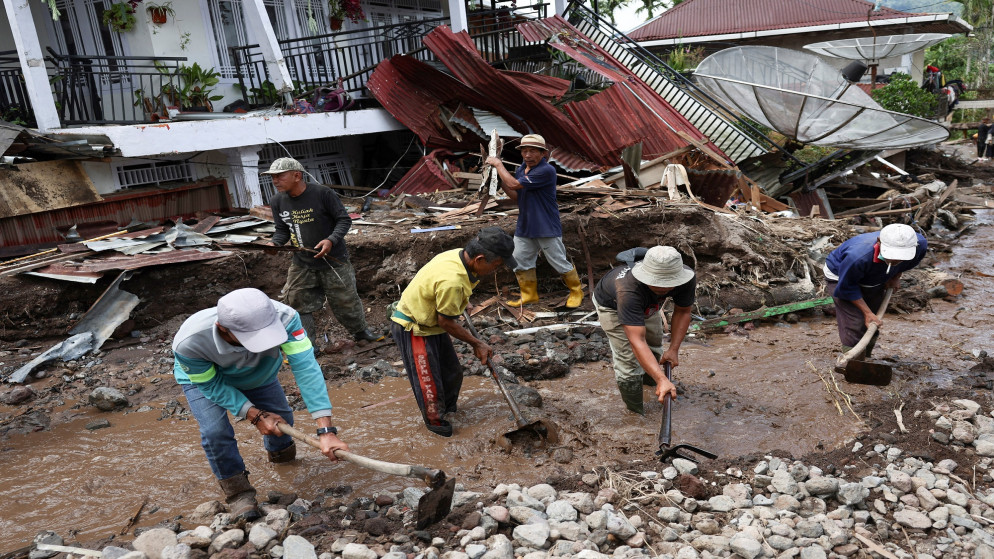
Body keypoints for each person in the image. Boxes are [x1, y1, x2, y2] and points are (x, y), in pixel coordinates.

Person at [172, 288, 349, 521]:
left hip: (259, 374)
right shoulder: (189, 341)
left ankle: (283, 463)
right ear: (222, 329)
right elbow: (211, 386)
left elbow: (306, 368)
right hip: (206, 381)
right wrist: (253, 414)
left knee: (282, 417)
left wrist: (325, 429)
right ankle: (238, 494)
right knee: (215, 433)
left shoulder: (286, 317)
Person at [389, 227, 516, 436]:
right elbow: (447, 322)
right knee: (429, 383)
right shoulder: (452, 280)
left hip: (433, 322)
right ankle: (437, 427)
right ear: (480, 259)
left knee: (452, 373)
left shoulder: (458, 256)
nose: (497, 270)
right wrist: (477, 343)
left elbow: (448, 301)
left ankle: (449, 411)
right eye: (497, 265)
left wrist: (459, 302)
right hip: (415, 327)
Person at [264, 157, 381, 344]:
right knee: (297, 303)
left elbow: (344, 219)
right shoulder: (277, 201)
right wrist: (274, 244)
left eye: (279, 176)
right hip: (302, 263)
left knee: (345, 300)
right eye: (273, 177)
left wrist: (330, 240)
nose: (275, 181)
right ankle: (307, 344)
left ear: (297, 175)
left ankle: (361, 333)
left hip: (334, 260)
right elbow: (282, 230)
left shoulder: (322, 194)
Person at [592, 246, 696, 415]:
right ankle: (635, 412)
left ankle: (653, 386)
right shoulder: (628, 290)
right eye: (657, 282)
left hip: (648, 303)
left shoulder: (686, 277)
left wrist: (673, 350)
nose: (663, 287)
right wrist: (663, 378)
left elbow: (683, 311)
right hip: (612, 305)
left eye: (668, 283)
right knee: (628, 363)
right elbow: (637, 341)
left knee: (655, 345)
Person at [485, 134, 584, 309]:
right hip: (525, 224)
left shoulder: (546, 171)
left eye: (532, 151)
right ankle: (529, 295)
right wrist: (499, 181)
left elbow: (515, 185)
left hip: (545, 224)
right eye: (524, 151)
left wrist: (499, 165)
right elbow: (517, 195)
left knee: (558, 260)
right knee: (519, 258)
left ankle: (576, 291)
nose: (527, 155)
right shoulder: (521, 170)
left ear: (543, 154)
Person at [824, 223, 927, 358]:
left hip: (876, 275)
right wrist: (867, 313)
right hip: (840, 276)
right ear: (879, 242)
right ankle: (854, 363)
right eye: (893, 255)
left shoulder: (919, 245)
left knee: (873, 322)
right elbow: (847, 287)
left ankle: (867, 357)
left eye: (901, 256)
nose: (896, 259)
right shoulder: (857, 257)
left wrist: (895, 277)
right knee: (855, 321)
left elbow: (905, 264)